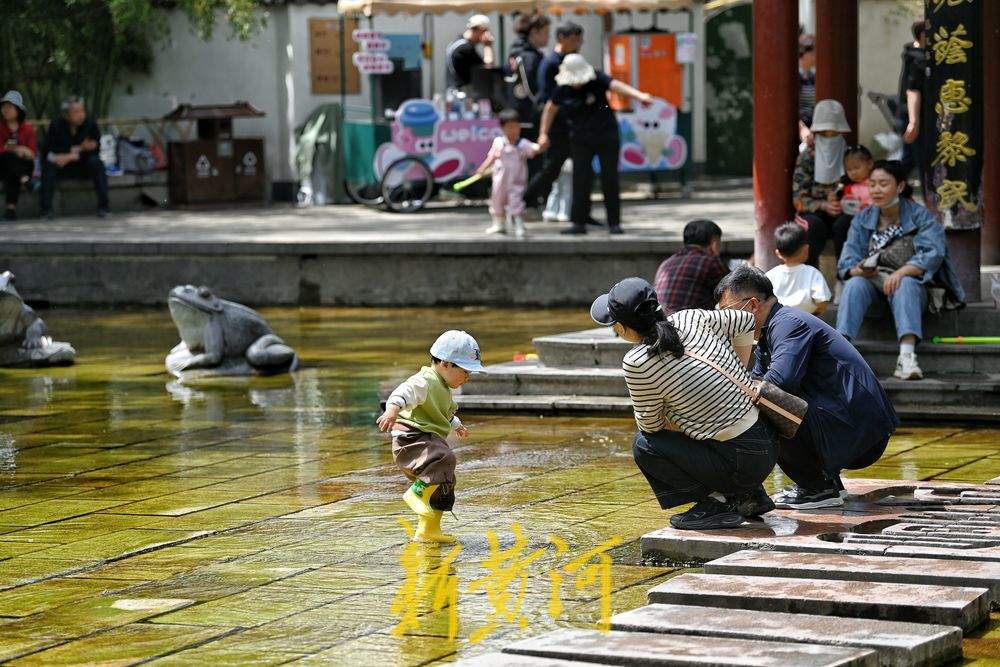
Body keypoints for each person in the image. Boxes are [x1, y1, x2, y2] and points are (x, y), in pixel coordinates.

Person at [591, 277, 779, 530]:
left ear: (625, 328)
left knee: (644, 445)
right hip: (768, 442)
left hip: (741, 463)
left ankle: (712, 505)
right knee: (701, 419)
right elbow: (745, 320)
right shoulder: (689, 317)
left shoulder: (637, 361)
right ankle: (749, 495)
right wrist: (739, 368)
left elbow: (650, 426)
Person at [715, 266, 898, 510]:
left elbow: (778, 382)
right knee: (756, 398)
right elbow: (755, 379)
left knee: (766, 403)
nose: (725, 319)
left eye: (728, 311)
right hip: (847, 423)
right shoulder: (770, 331)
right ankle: (825, 482)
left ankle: (816, 487)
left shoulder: (788, 324)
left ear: (753, 305)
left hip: (859, 430)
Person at [836, 160, 965, 380]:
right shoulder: (862, 219)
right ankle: (839, 354)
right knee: (854, 284)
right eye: (873, 184)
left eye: (884, 183)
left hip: (913, 289)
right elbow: (847, 261)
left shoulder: (921, 216)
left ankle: (906, 357)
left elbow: (933, 253)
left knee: (905, 283)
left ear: (900, 186)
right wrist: (859, 270)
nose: (876, 189)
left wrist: (901, 272)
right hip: (873, 285)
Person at [376, 330, 485, 543]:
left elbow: (444, 413)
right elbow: (401, 393)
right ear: (445, 364)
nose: (467, 377)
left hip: (425, 438)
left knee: (445, 481)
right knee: (444, 458)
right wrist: (391, 410)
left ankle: (428, 531)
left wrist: (457, 425)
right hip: (411, 439)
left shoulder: (443, 388)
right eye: (464, 371)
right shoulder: (425, 381)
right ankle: (415, 493)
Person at [538, 54, 653, 235]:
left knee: (610, 179)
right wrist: (543, 134)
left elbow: (616, 86)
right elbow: (550, 109)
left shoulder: (597, 79)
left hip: (606, 135)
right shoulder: (562, 89)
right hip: (580, 138)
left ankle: (614, 223)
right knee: (581, 179)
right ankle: (579, 222)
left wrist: (639, 96)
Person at [522, 22, 583, 213]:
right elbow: (550, 100)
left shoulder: (569, 60)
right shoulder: (553, 63)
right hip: (557, 123)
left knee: (563, 166)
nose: (579, 43)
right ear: (562, 39)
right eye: (574, 39)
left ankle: (575, 207)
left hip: (567, 123)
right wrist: (545, 131)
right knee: (552, 166)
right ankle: (527, 199)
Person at [792, 99, 852, 267]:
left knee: (846, 224)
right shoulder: (807, 156)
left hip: (842, 210)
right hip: (814, 212)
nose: (830, 137)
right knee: (813, 227)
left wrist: (844, 201)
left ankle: (845, 274)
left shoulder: (848, 154)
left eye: (835, 132)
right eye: (825, 133)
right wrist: (823, 205)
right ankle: (810, 275)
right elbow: (799, 199)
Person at [472, 109, 541, 239]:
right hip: (499, 181)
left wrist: (541, 146)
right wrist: (482, 168)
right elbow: (491, 157)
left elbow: (535, 149)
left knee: (516, 203)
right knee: (497, 201)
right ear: (503, 128)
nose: (514, 130)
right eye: (510, 127)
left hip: (516, 181)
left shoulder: (523, 144)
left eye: (516, 127)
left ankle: (519, 225)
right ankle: (499, 224)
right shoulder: (499, 142)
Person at [40, 96, 109, 220]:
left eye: (82, 111)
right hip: (62, 167)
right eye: (76, 112)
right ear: (66, 115)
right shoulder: (56, 125)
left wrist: (72, 155)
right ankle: (46, 210)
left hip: (83, 164)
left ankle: (104, 207)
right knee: (48, 167)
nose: (81, 115)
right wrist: (75, 151)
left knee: (97, 163)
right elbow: (47, 151)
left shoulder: (90, 123)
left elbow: (95, 148)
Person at [653, 219, 728, 314]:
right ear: (714, 243)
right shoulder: (710, 261)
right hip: (690, 326)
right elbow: (734, 291)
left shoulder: (665, 264)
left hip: (660, 325)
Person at [765, 222, 832, 316]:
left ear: (778, 253)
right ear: (806, 249)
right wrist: (815, 314)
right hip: (806, 320)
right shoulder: (812, 273)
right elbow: (822, 301)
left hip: (777, 320)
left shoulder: (770, 275)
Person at [506, 13, 550, 138]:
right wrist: (543, 106)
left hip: (517, 114)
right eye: (546, 32)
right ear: (534, 32)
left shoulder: (515, 51)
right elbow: (532, 88)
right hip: (530, 116)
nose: (548, 36)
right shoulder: (530, 56)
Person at [895, 19, 928, 181]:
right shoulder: (917, 59)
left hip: (907, 115)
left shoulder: (912, 53)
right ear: (922, 35)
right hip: (913, 116)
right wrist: (914, 122)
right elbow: (913, 91)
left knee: (910, 160)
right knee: (919, 160)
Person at [0, 91, 37, 221]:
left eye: (10, 107)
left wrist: (22, 150)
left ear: (18, 110)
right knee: (9, 159)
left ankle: (11, 210)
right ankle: (25, 180)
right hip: (4, 165)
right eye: (4, 107)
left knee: (13, 166)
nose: (6, 110)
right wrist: (10, 149)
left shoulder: (28, 128)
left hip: (24, 165)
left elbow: (32, 153)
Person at [446, 15, 496, 92]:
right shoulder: (465, 49)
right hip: (463, 95)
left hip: (453, 92)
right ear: (481, 30)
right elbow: (487, 69)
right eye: (486, 31)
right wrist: (487, 46)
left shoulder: (456, 43)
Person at [798, 35, 817, 149]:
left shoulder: (812, 76)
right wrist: (802, 128)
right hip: (801, 128)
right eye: (813, 53)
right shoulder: (796, 75)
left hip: (812, 126)